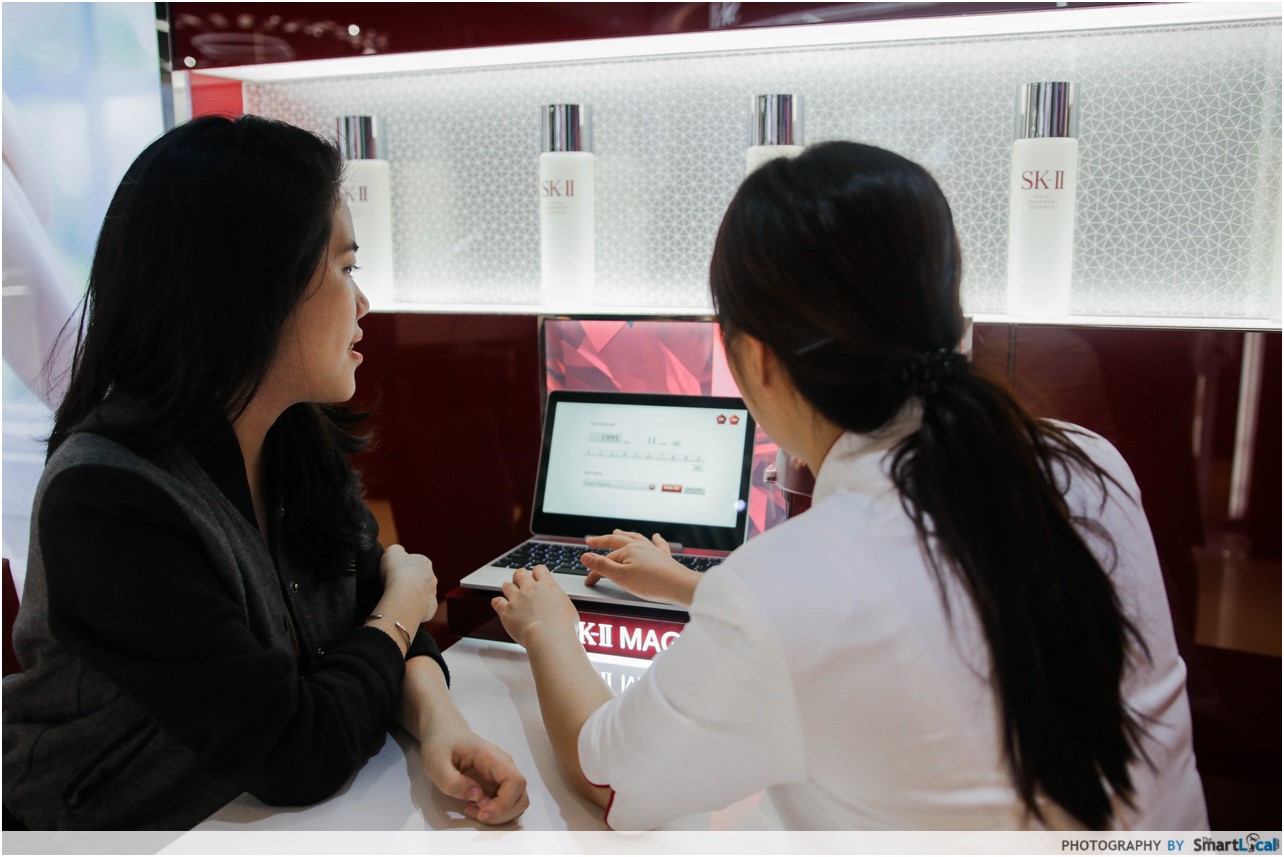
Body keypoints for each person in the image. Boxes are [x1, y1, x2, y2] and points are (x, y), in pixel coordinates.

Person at [491, 141, 1208, 831]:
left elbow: (613, 781)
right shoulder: (1091, 465)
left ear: (754, 359)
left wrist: (550, 628)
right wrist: (687, 584)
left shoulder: (788, 587)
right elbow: (919, 618)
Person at [2, 115, 528, 830]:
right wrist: (404, 602)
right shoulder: (104, 497)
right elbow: (297, 750)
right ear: (253, 286)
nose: (363, 302)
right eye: (345, 268)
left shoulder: (293, 441)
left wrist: (439, 724)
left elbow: (372, 631)